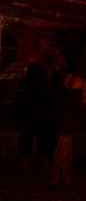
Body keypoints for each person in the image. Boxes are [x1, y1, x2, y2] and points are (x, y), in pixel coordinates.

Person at [11, 47, 63, 180]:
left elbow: (19, 98)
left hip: (27, 114)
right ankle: (40, 161)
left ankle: (24, 161)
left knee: (26, 137)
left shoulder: (25, 83)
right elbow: (51, 98)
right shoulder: (44, 82)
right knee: (41, 137)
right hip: (40, 114)